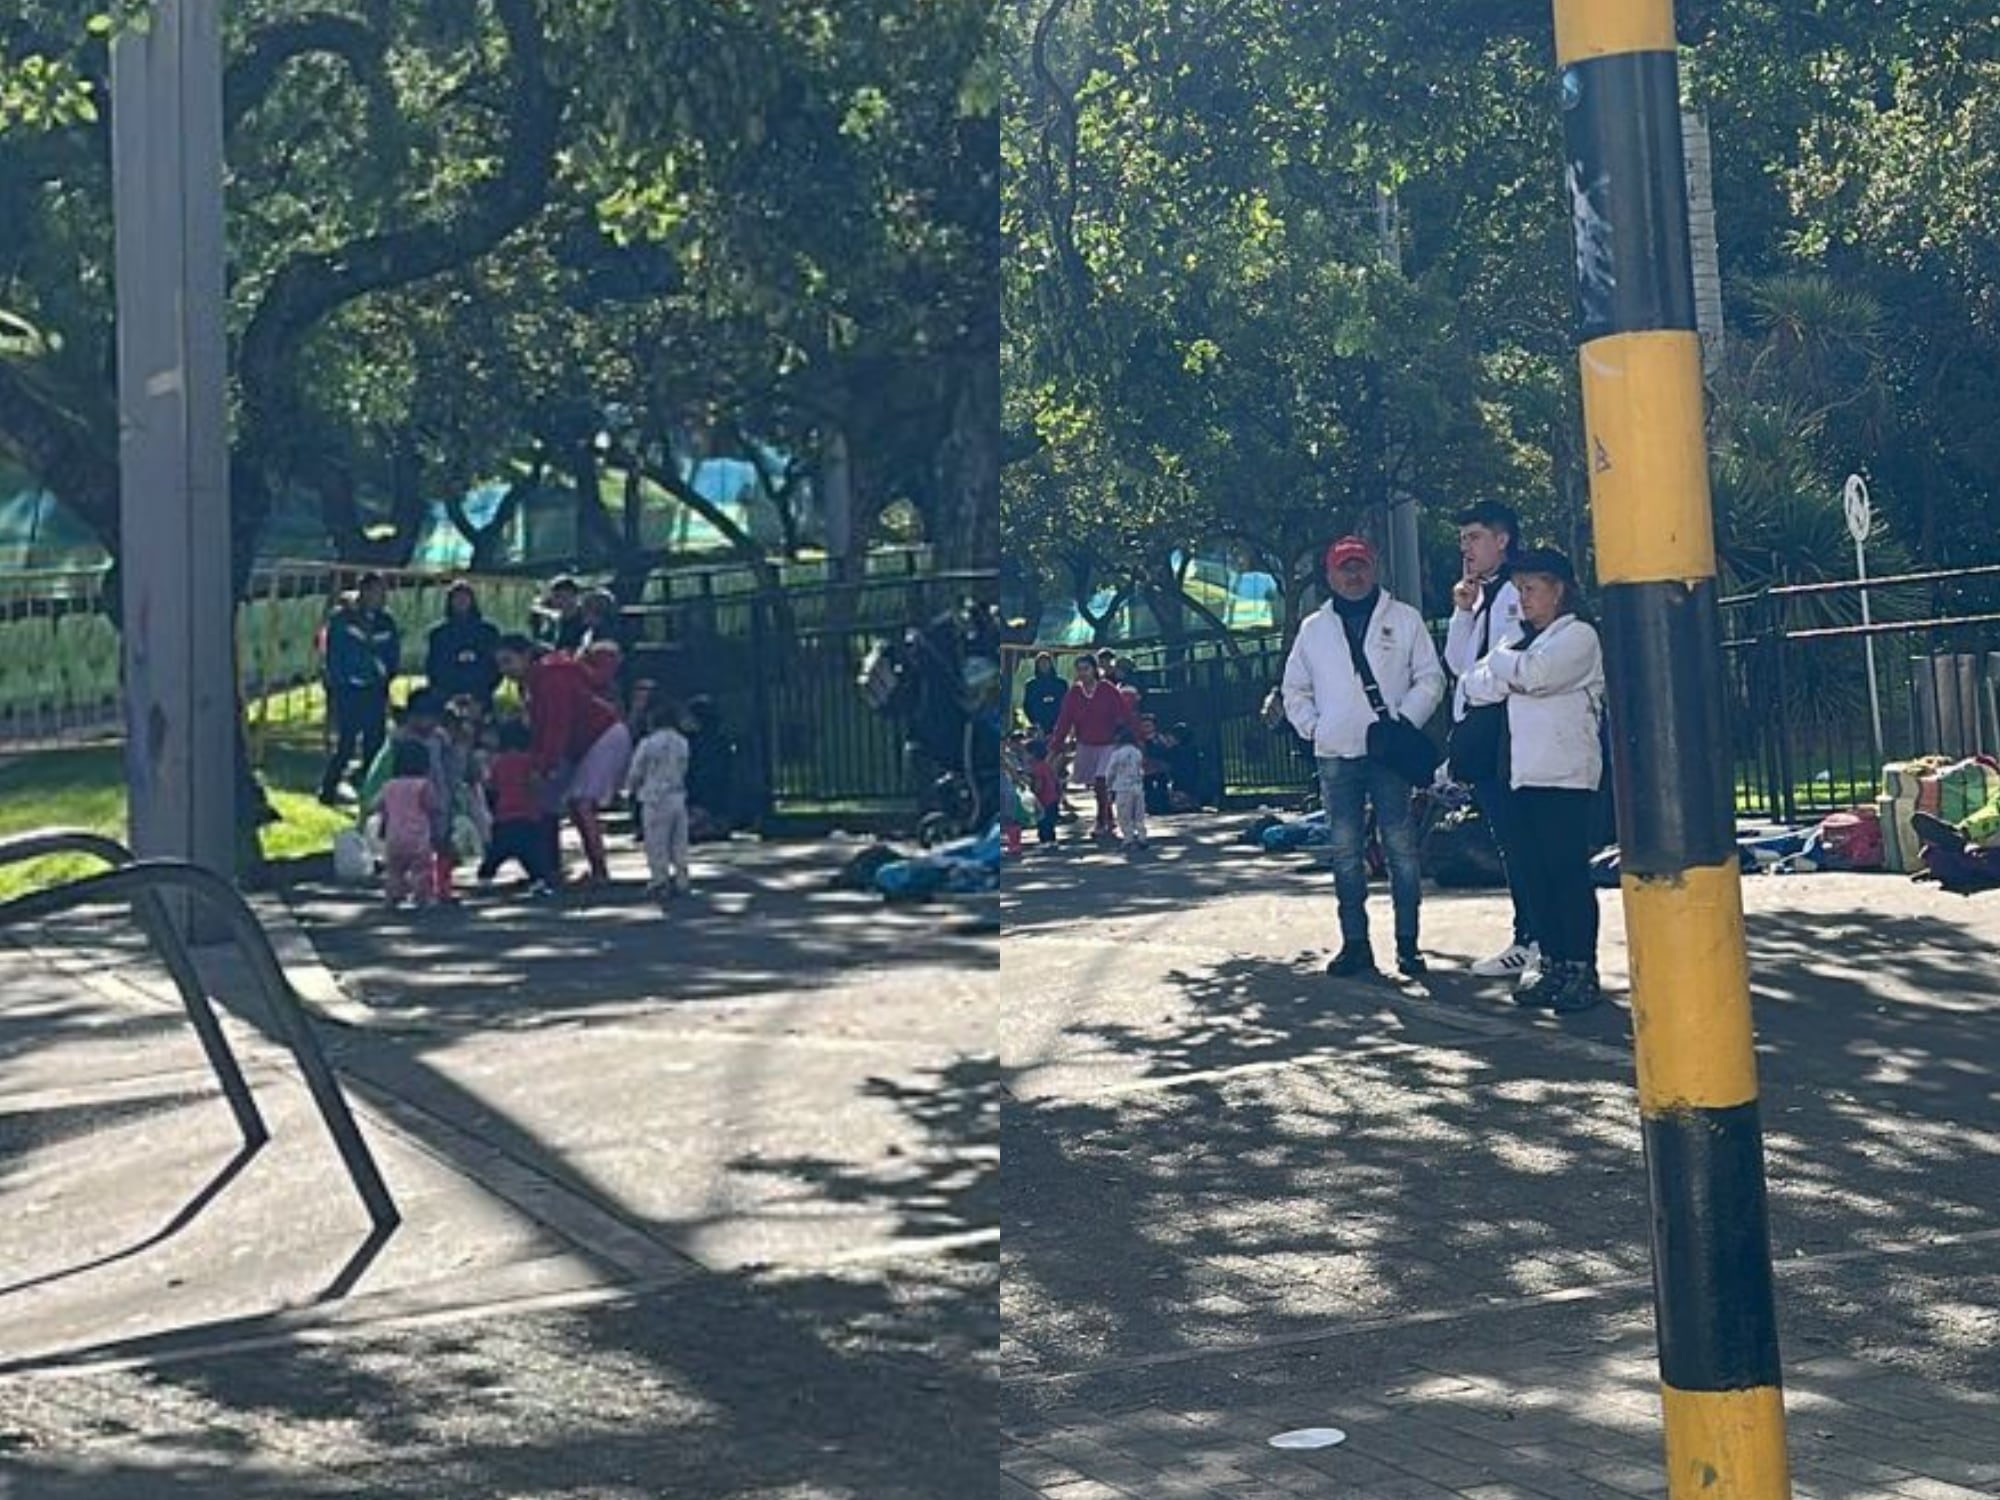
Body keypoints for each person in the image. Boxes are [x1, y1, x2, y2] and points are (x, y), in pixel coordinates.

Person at [1282, 535, 1444, 978]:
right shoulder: (1314, 628)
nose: (1353, 576)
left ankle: (1408, 943)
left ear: (1373, 569)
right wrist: (1314, 727)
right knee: (1346, 851)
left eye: (1360, 566)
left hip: (1387, 752)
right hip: (1336, 753)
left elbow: (1430, 678)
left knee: (1401, 849)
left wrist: (1404, 721)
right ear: (1330, 576)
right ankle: (1355, 943)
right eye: (1343, 569)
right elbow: (1294, 688)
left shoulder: (1404, 619)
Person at [1460, 546, 1606, 1014]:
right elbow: (1473, 684)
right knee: (1535, 876)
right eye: (1519, 589)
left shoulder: (1578, 637)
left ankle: (1581, 966)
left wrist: (1504, 662)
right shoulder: (1522, 640)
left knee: (1567, 874)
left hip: (1566, 775)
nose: (1523, 599)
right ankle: (1554, 960)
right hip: (1523, 774)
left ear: (1558, 590)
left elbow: (1537, 676)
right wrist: (1508, 665)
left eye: (1531, 589)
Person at [1443, 501, 1536, 981]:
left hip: (1509, 729)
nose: (1467, 549)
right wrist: (1462, 612)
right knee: (1506, 837)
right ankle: (1525, 934)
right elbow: (1459, 664)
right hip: (1481, 729)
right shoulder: (1479, 596)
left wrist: (1480, 680)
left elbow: (1503, 665)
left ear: (1502, 540)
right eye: (1463, 540)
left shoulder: (1519, 592)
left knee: (1524, 836)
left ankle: (1537, 937)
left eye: (1475, 537)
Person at [494, 634, 634, 886]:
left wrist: (544, 766)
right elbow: (544, 728)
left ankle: (599, 870)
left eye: (508, 661)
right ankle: (550, 869)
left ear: (526, 655)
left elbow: (558, 725)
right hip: (581, 742)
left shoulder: (551, 678)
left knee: (580, 802)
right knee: (548, 802)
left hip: (602, 735)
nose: (504, 670)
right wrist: (540, 764)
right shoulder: (534, 681)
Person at [319, 574, 400, 804]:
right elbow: (334, 655)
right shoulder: (342, 618)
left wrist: (385, 675)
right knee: (346, 741)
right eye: (375, 592)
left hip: (375, 690)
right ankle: (328, 789)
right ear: (363, 592)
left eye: (382, 593)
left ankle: (369, 791)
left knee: (375, 741)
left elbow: (392, 653)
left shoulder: (386, 622)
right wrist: (340, 682)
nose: (379, 597)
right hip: (349, 690)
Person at [1046, 653, 1141, 841]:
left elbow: (1124, 713)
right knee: (1097, 786)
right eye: (1079, 669)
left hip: (1108, 743)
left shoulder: (1107, 689)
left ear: (1094, 669)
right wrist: (1055, 745)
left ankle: (1101, 821)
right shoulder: (1074, 693)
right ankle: (1110, 819)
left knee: (1101, 781)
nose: (1082, 673)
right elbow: (1064, 720)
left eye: (1086, 669)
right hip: (1086, 744)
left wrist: (1135, 738)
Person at [477, 718, 557, 893]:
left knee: (498, 850)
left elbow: (491, 786)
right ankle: (538, 877)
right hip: (527, 814)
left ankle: (485, 875)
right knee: (531, 851)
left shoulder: (498, 762)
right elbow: (534, 783)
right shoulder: (529, 761)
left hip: (504, 814)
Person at [626, 698, 693, 898]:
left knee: (656, 841)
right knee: (679, 841)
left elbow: (636, 771)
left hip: (654, 796)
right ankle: (682, 878)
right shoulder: (683, 742)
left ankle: (660, 879)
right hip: (677, 795)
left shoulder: (648, 743)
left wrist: (631, 789)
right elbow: (685, 767)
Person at [376, 737, 438, 909]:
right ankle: (421, 897)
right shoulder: (423, 785)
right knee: (421, 869)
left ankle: (393, 896)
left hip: (394, 836)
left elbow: (378, 806)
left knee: (395, 870)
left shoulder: (389, 786)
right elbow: (432, 806)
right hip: (418, 837)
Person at [424, 582, 501, 711]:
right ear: (450, 602)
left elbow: (495, 664)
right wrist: (442, 691)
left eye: (465, 597)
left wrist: (486, 688)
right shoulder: (439, 633)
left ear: (472, 600)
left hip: (481, 693)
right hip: (447, 694)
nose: (461, 601)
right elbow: (433, 665)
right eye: (457, 598)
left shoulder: (488, 632)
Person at [1105, 723, 1148, 851]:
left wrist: (1109, 785)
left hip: (1123, 787)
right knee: (1139, 814)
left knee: (1124, 814)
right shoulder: (1137, 752)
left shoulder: (1117, 753)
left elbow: (1111, 770)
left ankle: (1128, 838)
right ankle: (1141, 837)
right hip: (1137, 786)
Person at [533, 576, 588, 652]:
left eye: (564, 597)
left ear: (575, 597)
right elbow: (547, 640)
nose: (560, 601)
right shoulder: (553, 621)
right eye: (556, 597)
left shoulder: (586, 620)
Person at [1021, 652, 1067, 738]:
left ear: (1051, 664)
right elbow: (1027, 705)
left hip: (1057, 724)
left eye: (1046, 662)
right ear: (1037, 665)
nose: (1044, 665)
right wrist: (1035, 723)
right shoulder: (1031, 685)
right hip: (1038, 726)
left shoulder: (1061, 684)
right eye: (1041, 663)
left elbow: (1066, 704)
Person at [1027, 738, 1062, 847]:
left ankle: (1045, 841)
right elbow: (1056, 781)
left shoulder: (1037, 768)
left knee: (1043, 822)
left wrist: (1033, 793)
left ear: (1033, 754)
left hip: (1044, 800)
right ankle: (1052, 840)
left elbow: (1039, 784)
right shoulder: (1047, 766)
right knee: (1050, 822)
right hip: (1053, 799)